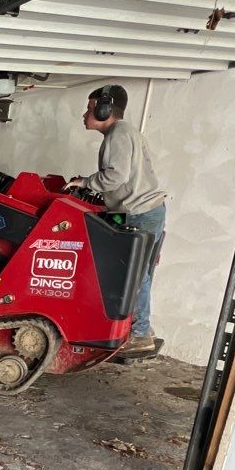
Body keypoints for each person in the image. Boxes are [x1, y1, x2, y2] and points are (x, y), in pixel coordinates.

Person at [68, 84, 168, 359]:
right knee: (137, 273)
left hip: (140, 213)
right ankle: (135, 330)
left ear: (104, 109)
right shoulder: (123, 133)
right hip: (141, 210)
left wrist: (85, 181)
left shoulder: (119, 134)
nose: (85, 114)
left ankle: (140, 335)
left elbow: (115, 177)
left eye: (90, 109)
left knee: (134, 275)